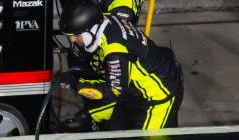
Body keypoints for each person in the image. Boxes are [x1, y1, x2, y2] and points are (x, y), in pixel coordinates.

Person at [58, 0, 182, 131]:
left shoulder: (115, 52)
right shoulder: (106, 19)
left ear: (91, 30)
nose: (72, 39)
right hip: (134, 92)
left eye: (76, 35)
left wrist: (76, 84)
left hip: (159, 97)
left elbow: (112, 92)